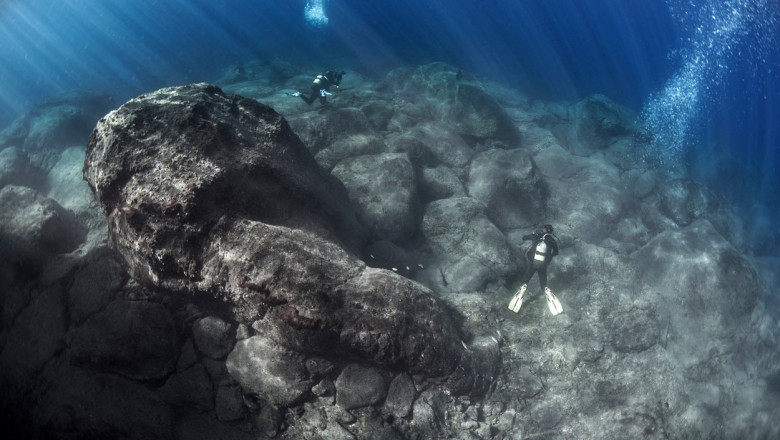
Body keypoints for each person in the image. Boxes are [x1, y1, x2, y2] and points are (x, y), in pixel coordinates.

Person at [519, 224, 558, 294]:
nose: (542, 229)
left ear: (546, 230)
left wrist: (532, 234)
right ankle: (545, 289)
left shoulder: (536, 235)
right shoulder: (552, 240)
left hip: (533, 262)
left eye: (544, 228)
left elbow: (524, 238)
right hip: (543, 264)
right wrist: (549, 257)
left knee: (527, 276)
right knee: (543, 280)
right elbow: (556, 252)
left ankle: (524, 286)